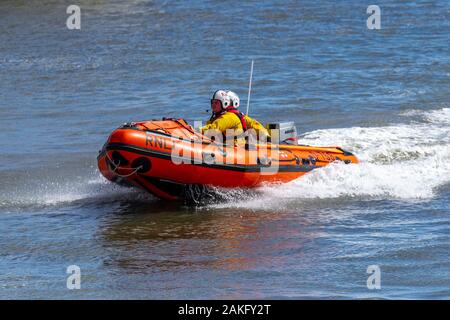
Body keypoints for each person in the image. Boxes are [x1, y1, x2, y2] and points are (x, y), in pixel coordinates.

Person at [200, 90, 270, 145]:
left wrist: (194, 130)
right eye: (212, 102)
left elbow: (214, 128)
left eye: (216, 103)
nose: (213, 105)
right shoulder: (218, 117)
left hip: (235, 148)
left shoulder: (229, 116)